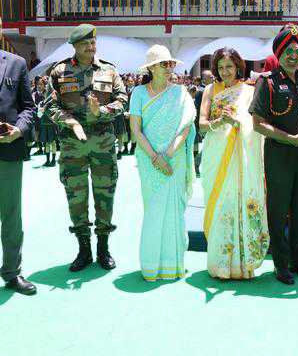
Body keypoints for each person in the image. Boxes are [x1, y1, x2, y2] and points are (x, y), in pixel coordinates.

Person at [45, 24, 128, 272]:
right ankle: (84, 249)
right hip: (73, 146)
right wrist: (69, 121)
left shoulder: (109, 70)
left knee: (105, 195)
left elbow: (122, 100)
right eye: (85, 44)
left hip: (103, 144)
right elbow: (50, 106)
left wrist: (101, 111)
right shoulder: (60, 72)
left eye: (93, 43)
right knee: (76, 196)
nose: (91, 47)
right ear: (75, 46)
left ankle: (103, 247)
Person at [249, 25, 298, 285]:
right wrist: (292, 139)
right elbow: (258, 124)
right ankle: (281, 265)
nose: (293, 55)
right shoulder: (267, 82)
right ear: (279, 53)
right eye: (288, 50)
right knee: (278, 211)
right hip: (279, 154)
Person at [199, 48, 269, 280]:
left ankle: (242, 264)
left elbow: (256, 124)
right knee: (220, 204)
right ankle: (220, 264)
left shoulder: (249, 91)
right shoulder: (210, 89)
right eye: (220, 68)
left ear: (238, 66)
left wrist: (238, 122)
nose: (225, 72)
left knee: (239, 200)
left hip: (242, 157)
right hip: (216, 153)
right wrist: (221, 121)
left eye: (229, 67)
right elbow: (201, 124)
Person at [128, 45, 196, 281]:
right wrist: (156, 158)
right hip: (148, 161)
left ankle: (172, 265)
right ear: (152, 68)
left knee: (174, 213)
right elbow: (136, 130)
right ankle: (151, 266)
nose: (169, 68)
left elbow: (186, 128)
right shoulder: (137, 93)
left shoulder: (181, 93)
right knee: (154, 210)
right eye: (164, 64)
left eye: (171, 64)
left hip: (174, 160)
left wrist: (167, 156)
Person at [0, 17, 37, 295]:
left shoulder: (16, 63)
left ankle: (12, 272)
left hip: (8, 150)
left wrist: (19, 129)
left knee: (12, 215)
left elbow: (28, 107)